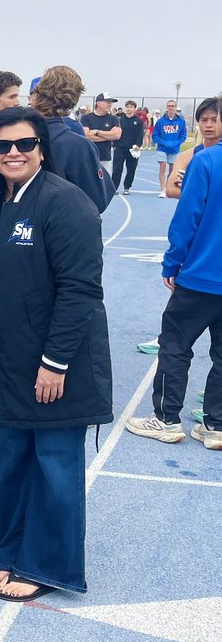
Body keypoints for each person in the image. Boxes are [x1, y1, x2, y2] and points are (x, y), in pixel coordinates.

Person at [0, 106, 112, 601]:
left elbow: (80, 291)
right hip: (8, 354)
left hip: (52, 360)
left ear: (41, 148)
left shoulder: (65, 203)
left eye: (23, 144)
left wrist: (56, 362)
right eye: (2, 145)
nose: (12, 153)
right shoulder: (3, 200)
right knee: (15, 457)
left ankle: (48, 567)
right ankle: (12, 554)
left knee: (53, 462)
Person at [127, 138, 222, 451]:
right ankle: (215, 425)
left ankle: (167, 419)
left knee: (175, 345)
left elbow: (188, 215)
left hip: (202, 275)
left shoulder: (207, 160)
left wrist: (172, 261)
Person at [28, 67, 113, 213]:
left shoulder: (11, 132)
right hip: (61, 226)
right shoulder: (78, 145)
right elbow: (99, 200)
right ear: (74, 99)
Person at [165, 98, 219, 200]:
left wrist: (191, 186)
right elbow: (171, 189)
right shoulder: (187, 156)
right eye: (204, 120)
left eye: (214, 120)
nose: (208, 125)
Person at [152, 100, 187, 197]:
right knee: (162, 166)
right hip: (162, 148)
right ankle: (163, 189)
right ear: (166, 107)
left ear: (176, 108)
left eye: (173, 106)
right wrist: (164, 143)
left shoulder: (181, 121)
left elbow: (183, 136)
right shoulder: (160, 122)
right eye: (169, 106)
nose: (171, 107)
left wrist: (175, 143)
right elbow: (155, 135)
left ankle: (168, 186)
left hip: (174, 149)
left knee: (172, 169)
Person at [112, 100, 146, 195]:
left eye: (131, 107)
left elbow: (140, 135)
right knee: (117, 169)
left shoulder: (138, 121)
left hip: (132, 150)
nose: (129, 108)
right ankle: (114, 187)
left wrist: (138, 145)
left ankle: (127, 187)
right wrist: (115, 145)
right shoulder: (119, 120)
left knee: (131, 169)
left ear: (134, 109)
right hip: (120, 148)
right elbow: (115, 133)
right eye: (127, 106)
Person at [80, 93, 121, 165]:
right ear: (98, 103)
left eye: (110, 102)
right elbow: (86, 135)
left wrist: (96, 132)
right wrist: (108, 136)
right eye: (107, 102)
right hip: (88, 157)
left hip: (105, 158)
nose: (110, 104)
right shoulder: (86, 118)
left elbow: (116, 136)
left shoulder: (114, 119)